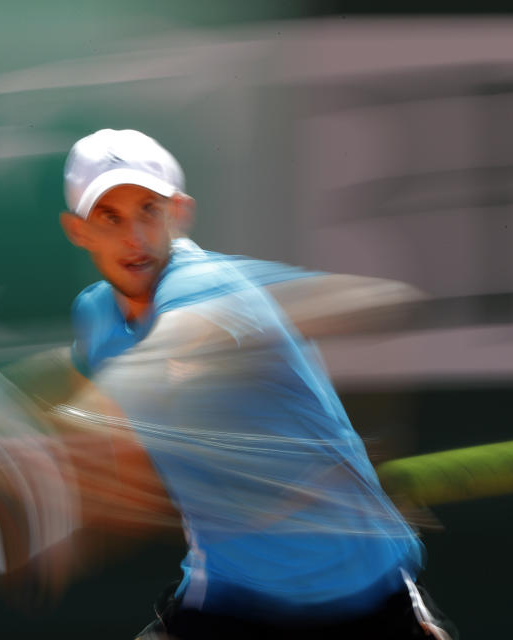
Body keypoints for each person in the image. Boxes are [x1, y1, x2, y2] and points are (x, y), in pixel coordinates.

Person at [53, 128, 455, 639]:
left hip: (360, 596)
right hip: (231, 594)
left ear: (180, 213)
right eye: (110, 217)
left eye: (149, 211)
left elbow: (170, 347)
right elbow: (123, 473)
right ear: (77, 229)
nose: (134, 238)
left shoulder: (203, 285)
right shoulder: (95, 318)